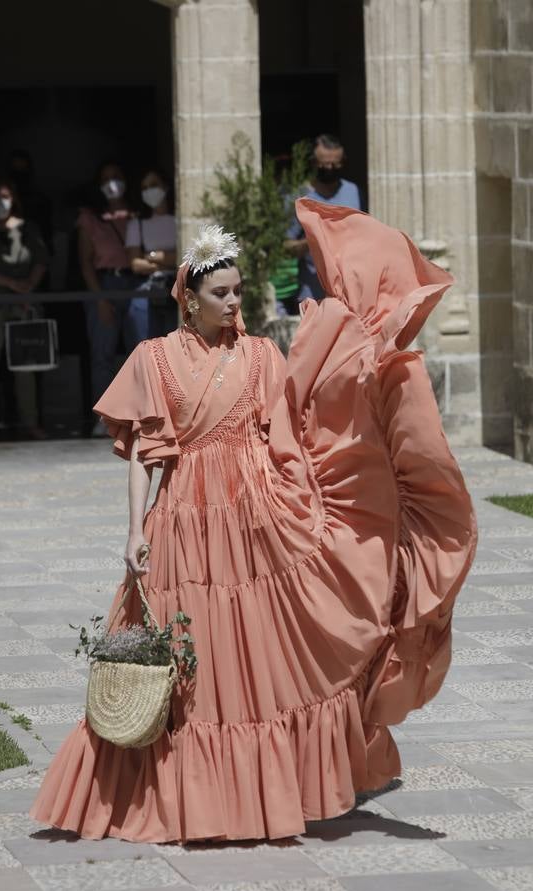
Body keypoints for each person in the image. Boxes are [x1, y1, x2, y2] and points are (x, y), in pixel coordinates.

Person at [30, 205, 477, 844]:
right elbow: (142, 457)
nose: (234, 302)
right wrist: (134, 532)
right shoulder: (153, 359)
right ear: (189, 298)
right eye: (221, 293)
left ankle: (271, 791)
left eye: (239, 290)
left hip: (256, 517)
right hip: (183, 520)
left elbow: (294, 429)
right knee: (188, 665)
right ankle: (182, 797)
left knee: (261, 658)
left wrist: (341, 358)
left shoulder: (264, 355)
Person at [0, 178, 49, 442]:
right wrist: (11, 284)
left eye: (4, 195)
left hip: (23, 303)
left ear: (13, 198)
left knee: (26, 366)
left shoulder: (29, 228)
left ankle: (30, 423)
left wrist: (28, 286)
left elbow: (40, 261)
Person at [77, 162, 137, 436]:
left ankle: (139, 416)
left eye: (117, 177)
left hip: (136, 282)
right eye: (106, 178)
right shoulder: (90, 218)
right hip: (104, 284)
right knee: (102, 354)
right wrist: (99, 298)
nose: (112, 183)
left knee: (139, 352)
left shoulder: (137, 213)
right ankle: (104, 418)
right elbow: (85, 262)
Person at [285, 134, 362, 302]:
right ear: (314, 163)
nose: (330, 169)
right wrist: (312, 240)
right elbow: (285, 247)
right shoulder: (299, 196)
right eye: (325, 164)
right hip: (314, 294)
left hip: (351, 289)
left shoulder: (352, 190)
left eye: (336, 164)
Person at [126, 168, 178, 339]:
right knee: (146, 346)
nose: (150, 191)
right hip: (147, 288)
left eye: (154, 185)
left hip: (176, 288)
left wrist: (151, 255)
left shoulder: (180, 219)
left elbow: (184, 258)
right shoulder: (137, 223)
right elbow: (135, 264)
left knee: (174, 347)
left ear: (166, 187)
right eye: (145, 188)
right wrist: (168, 258)